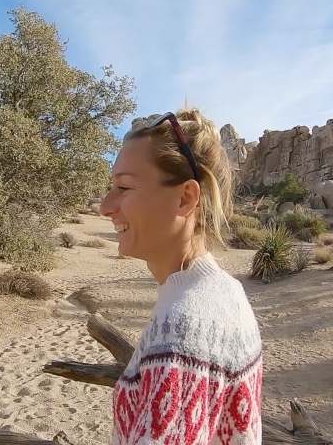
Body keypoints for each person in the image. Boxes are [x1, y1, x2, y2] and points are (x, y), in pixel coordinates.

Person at [100, 108, 262, 444]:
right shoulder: (225, 291)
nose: (106, 206)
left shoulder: (182, 329)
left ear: (186, 198)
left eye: (124, 188)